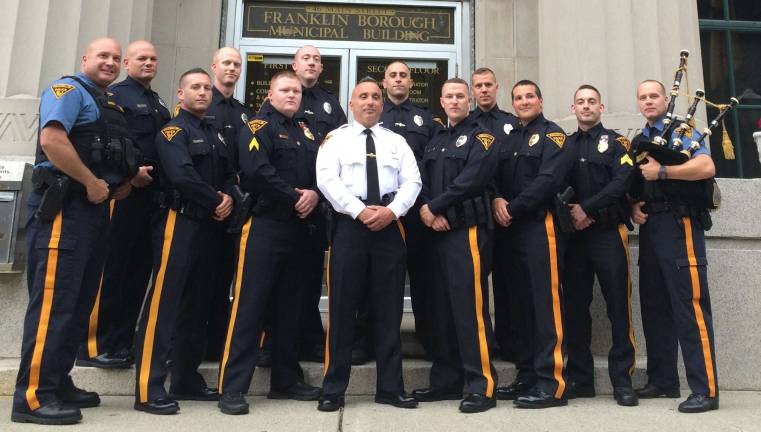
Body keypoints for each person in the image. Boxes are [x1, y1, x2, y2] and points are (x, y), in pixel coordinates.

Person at [12, 37, 134, 425]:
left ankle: (57, 381)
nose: (110, 63)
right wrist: (90, 182)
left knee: (78, 304)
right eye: (103, 56)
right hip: (65, 210)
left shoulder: (105, 103)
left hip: (94, 212)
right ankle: (32, 396)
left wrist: (122, 181)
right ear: (85, 59)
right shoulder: (67, 91)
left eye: (116, 58)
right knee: (54, 305)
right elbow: (52, 140)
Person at [216, 70, 323, 415]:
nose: (292, 95)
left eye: (296, 90)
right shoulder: (257, 127)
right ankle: (232, 387)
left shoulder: (308, 131)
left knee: (291, 308)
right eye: (285, 90)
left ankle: (285, 380)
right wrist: (296, 196)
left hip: (299, 230)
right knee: (250, 306)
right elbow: (257, 171)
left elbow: (320, 173)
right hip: (264, 226)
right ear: (270, 95)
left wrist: (316, 195)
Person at [133, 68, 235, 415]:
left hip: (210, 226)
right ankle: (148, 387)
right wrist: (216, 199)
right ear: (180, 94)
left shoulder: (216, 133)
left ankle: (186, 379)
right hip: (180, 221)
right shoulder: (173, 131)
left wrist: (230, 199)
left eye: (207, 88)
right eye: (195, 87)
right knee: (165, 303)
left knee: (197, 304)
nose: (203, 92)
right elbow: (182, 175)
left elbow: (230, 175)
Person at [316, 78, 421, 412]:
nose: (371, 102)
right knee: (342, 308)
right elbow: (326, 180)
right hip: (350, 227)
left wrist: (391, 212)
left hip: (389, 228)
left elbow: (413, 181)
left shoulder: (396, 142)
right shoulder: (335, 140)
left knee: (389, 310)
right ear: (351, 103)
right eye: (363, 96)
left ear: (382, 104)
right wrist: (361, 211)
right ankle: (333, 388)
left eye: (376, 97)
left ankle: (390, 388)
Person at [76, 40, 171, 370]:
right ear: (128, 63)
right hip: (124, 195)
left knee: (136, 273)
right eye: (141, 58)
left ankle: (120, 342)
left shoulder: (158, 102)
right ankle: (93, 345)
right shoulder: (115, 96)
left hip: (150, 200)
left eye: (153, 58)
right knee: (110, 271)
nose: (148, 63)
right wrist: (131, 175)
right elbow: (113, 142)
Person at [630, 79, 719, 413]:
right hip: (652, 227)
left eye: (654, 95)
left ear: (666, 99)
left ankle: (705, 389)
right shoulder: (642, 137)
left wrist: (664, 171)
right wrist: (633, 205)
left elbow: (706, 166)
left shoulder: (683, 130)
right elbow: (640, 179)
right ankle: (663, 380)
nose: (649, 101)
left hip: (680, 226)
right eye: (643, 97)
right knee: (655, 306)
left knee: (689, 307)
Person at [412, 78, 498, 413]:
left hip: (467, 231)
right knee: (442, 309)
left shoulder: (483, 136)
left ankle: (481, 385)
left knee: (469, 309)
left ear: (471, 99)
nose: (454, 100)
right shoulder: (435, 138)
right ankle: (445, 381)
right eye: (448, 96)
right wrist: (427, 209)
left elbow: (472, 179)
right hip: (436, 232)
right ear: (442, 101)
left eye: (460, 95)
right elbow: (420, 177)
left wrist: (435, 207)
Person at [491, 80, 571, 408]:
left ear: (540, 100)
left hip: (540, 226)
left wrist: (512, 207)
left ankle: (552, 383)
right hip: (510, 230)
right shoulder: (508, 138)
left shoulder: (553, 135)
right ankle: (527, 374)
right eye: (518, 97)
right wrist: (496, 199)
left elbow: (548, 180)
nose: (523, 101)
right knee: (519, 306)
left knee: (545, 305)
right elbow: (493, 174)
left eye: (529, 96)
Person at [562, 85, 638, 406]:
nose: (586, 106)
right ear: (574, 107)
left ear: (601, 107)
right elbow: (554, 181)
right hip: (575, 239)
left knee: (618, 306)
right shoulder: (563, 144)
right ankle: (581, 379)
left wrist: (587, 209)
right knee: (576, 310)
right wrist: (571, 212)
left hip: (608, 233)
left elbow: (623, 181)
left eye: (592, 102)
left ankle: (622, 381)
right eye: (581, 102)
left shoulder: (618, 142)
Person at [291, 44, 348, 363]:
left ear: (321, 68)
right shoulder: (281, 96)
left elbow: (340, 151)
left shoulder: (329, 105)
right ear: (294, 65)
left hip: (319, 203)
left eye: (316, 60)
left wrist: (316, 191)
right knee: (281, 276)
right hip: (285, 204)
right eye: (306, 59)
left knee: (312, 275)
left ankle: (312, 338)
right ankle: (273, 339)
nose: (311, 63)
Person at [379, 60, 440, 358]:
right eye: (393, 75)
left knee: (423, 276)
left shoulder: (426, 119)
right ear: (384, 82)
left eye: (404, 75)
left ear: (411, 83)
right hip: (383, 211)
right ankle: (376, 340)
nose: (399, 79)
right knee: (382, 277)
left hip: (418, 209)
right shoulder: (374, 115)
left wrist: (429, 203)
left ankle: (428, 337)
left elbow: (432, 164)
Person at [202, 47, 253, 362]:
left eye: (237, 64)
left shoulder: (244, 112)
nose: (232, 69)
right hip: (207, 203)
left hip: (237, 205)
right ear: (214, 67)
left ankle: (219, 342)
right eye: (227, 64)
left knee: (226, 277)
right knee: (203, 279)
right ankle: (200, 342)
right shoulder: (202, 106)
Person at [468, 67, 520, 362]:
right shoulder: (465, 125)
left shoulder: (511, 124)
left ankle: (510, 342)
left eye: (489, 84)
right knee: (478, 279)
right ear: (472, 91)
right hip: (479, 212)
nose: (484, 90)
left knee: (508, 281)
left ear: (497, 87)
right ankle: (484, 341)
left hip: (508, 214)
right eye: (479, 86)